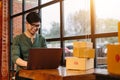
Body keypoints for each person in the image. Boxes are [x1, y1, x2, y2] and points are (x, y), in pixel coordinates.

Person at [12, 11, 47, 80]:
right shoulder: (18, 39)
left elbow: (45, 56)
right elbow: (15, 57)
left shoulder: (42, 39)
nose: (34, 28)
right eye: (32, 25)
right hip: (22, 73)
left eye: (37, 26)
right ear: (26, 23)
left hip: (38, 71)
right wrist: (29, 64)